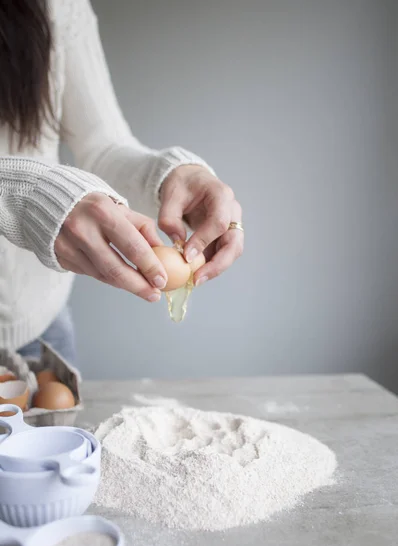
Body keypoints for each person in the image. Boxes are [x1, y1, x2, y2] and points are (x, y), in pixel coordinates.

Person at [0, 0, 243, 366]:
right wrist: (28, 195)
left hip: (39, 328)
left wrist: (171, 175)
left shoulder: (57, 6)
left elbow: (103, 146)